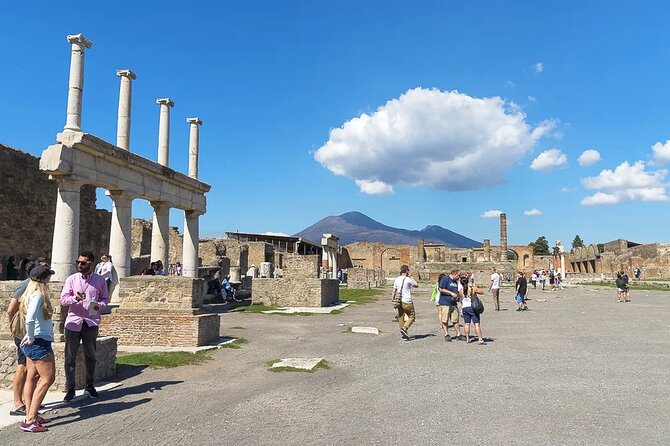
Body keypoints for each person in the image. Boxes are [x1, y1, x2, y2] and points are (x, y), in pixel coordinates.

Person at [60, 251, 109, 402]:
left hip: (90, 322)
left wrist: (98, 306)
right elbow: (63, 300)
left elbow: (105, 299)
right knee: (70, 357)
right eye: (78, 262)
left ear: (91, 264)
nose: (79, 265)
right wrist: (74, 298)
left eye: (83, 263)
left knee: (91, 355)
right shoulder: (71, 279)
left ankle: (90, 385)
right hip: (73, 322)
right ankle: (71, 388)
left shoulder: (100, 280)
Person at [19, 264, 56, 432]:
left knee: (32, 378)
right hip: (39, 342)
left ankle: (30, 413)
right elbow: (31, 318)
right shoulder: (39, 295)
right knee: (48, 379)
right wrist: (32, 336)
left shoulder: (29, 293)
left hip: (34, 342)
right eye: (48, 277)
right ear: (44, 279)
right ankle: (30, 420)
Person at [392, 265, 419, 340]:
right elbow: (416, 285)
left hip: (399, 301)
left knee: (401, 317)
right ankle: (404, 328)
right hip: (407, 301)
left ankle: (403, 334)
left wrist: (393, 299)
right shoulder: (408, 279)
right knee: (412, 316)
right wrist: (411, 277)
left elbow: (394, 291)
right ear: (407, 271)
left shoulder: (397, 279)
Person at [438, 269, 463, 342]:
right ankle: (446, 334)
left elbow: (456, 291)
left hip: (453, 303)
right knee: (445, 319)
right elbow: (441, 289)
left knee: (455, 319)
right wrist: (451, 293)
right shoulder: (445, 279)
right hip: (445, 303)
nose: (459, 277)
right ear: (454, 274)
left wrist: (459, 295)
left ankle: (458, 334)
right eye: (458, 275)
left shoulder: (455, 282)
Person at [462, 277, 486, 345]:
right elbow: (482, 292)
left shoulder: (461, 290)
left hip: (464, 307)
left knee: (467, 323)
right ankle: (480, 339)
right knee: (476, 324)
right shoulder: (472, 289)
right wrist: (474, 286)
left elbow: (460, 298)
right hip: (472, 307)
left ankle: (467, 338)